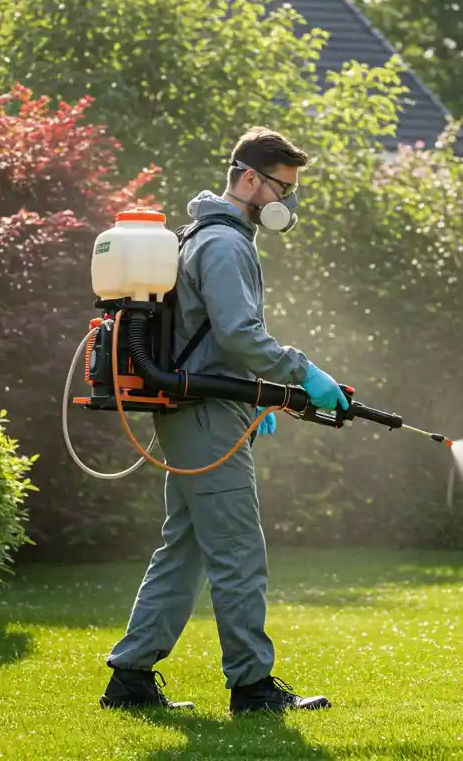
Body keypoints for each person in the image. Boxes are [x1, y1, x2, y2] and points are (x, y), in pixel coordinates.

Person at [98, 127, 349, 715]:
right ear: (249, 179)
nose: (286, 202)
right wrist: (303, 373)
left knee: (184, 549)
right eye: (282, 188)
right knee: (237, 551)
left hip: (201, 410)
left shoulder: (205, 235)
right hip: (205, 414)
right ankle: (253, 688)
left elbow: (213, 338)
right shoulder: (226, 242)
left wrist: (260, 396)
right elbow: (239, 335)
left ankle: (130, 679)